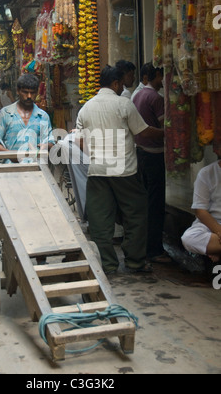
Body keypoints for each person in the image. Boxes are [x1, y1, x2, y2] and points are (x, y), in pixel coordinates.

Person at [76, 64, 164, 275]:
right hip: (124, 171)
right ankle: (134, 261)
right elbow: (143, 131)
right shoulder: (123, 104)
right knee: (135, 215)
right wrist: (167, 132)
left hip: (97, 171)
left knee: (100, 219)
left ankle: (108, 264)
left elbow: (80, 143)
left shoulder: (86, 108)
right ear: (115, 83)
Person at [133, 64, 169, 263]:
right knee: (155, 204)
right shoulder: (156, 98)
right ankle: (154, 250)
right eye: (160, 77)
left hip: (141, 155)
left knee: (146, 203)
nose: (162, 81)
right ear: (153, 76)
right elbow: (165, 127)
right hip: (154, 155)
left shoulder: (137, 96)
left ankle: (146, 246)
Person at [0, 73, 55, 155]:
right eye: (25, 92)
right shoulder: (5, 113)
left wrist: (46, 146)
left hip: (36, 165)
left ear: (37, 92)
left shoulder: (43, 116)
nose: (29, 96)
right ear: (17, 91)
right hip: (11, 166)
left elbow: (51, 142)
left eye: (32, 93)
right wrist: (11, 155)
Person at [182, 155, 221, 263]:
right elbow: (200, 211)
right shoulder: (207, 173)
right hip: (211, 224)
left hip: (216, 238)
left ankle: (215, 248)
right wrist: (219, 231)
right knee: (189, 238)